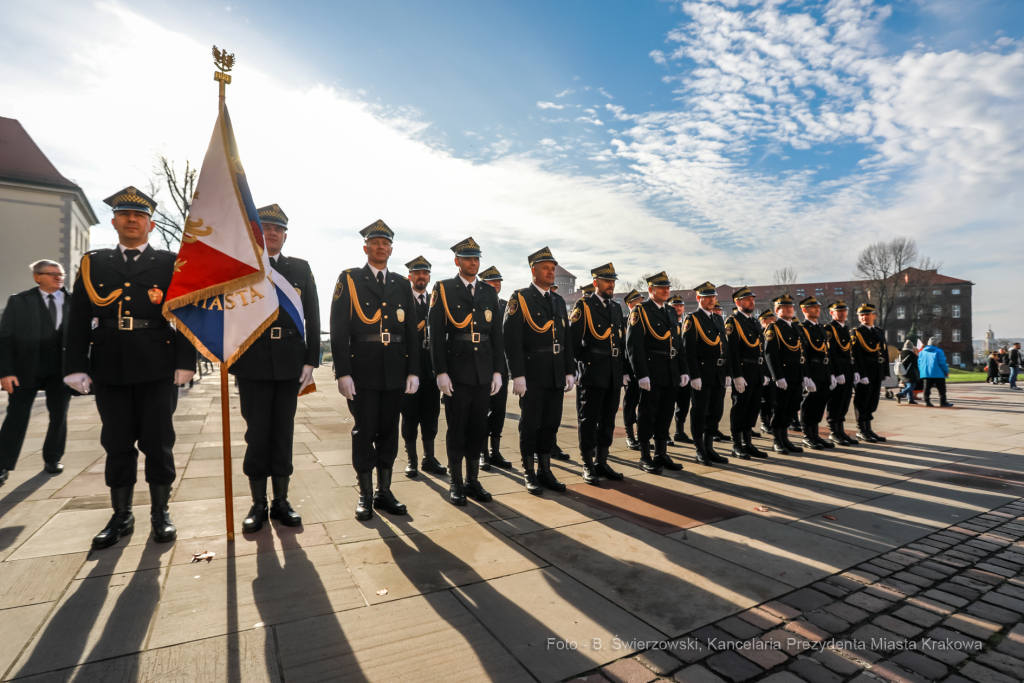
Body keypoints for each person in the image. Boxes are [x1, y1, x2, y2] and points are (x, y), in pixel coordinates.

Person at [63, 187, 196, 549]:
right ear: (114, 222)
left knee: (158, 441)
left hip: (158, 364)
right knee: (116, 442)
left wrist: (186, 362)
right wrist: (74, 366)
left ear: (150, 224)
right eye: (125, 215)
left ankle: (160, 513)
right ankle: (121, 515)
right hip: (109, 364)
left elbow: (186, 313)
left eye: (139, 216)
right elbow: (78, 318)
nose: (132, 220)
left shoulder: (170, 263)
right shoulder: (94, 263)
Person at [233, 204, 319, 533]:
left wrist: (311, 360)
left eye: (278, 229)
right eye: (266, 228)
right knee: (257, 434)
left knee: (283, 432)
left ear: (285, 236)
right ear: (255, 233)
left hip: (289, 362)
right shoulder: (242, 267)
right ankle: (258, 503)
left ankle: (281, 500)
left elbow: (312, 315)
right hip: (252, 362)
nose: (272, 233)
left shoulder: (300, 268)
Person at [330, 220, 420, 520]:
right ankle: (365, 494)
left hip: (394, 369)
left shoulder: (401, 283)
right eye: (375, 243)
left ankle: (384, 491)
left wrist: (413, 370)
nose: (380, 247)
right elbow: (338, 329)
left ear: (391, 250)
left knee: (389, 432)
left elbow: (411, 331)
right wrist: (342, 372)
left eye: (385, 244)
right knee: (364, 431)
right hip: (363, 370)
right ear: (365, 248)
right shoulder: (350, 279)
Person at [428, 237, 504, 505]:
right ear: (457, 261)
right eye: (468, 259)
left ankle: (473, 480)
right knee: (457, 428)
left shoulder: (488, 292)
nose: (473, 263)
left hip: (483, 370)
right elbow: (436, 335)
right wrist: (440, 372)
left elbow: (496, 335)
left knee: (478, 427)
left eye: (476, 258)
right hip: (457, 371)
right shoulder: (444, 289)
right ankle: (456, 482)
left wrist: (497, 371)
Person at [503, 246, 575, 494]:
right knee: (530, 425)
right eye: (546, 268)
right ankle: (529, 471)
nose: (551, 272)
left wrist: (569, 370)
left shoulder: (557, 300)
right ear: (533, 271)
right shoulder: (520, 298)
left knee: (550, 424)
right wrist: (517, 375)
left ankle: (545, 471)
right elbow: (511, 340)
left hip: (555, 372)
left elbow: (566, 339)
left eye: (553, 268)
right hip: (532, 373)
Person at [0, 259, 72, 483]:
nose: (58, 277)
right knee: (16, 417)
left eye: (61, 274)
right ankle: (2, 464)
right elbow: (5, 338)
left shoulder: (75, 302)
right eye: (52, 274)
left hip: (61, 370)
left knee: (59, 416)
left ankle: (53, 458)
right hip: (25, 370)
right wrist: (5, 372)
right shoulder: (19, 301)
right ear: (37, 277)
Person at [570, 263, 627, 484]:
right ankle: (588, 463)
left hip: (613, 371)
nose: (611, 285)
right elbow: (574, 342)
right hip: (593, 371)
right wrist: (581, 366)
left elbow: (620, 342)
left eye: (613, 281)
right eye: (607, 281)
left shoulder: (616, 308)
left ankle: (602, 461)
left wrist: (623, 369)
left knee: (608, 421)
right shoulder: (584, 305)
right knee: (589, 419)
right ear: (596, 283)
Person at [627, 272, 689, 473]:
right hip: (652, 370)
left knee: (666, 413)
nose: (666, 291)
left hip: (670, 370)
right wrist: (641, 374)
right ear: (650, 290)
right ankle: (645, 456)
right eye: (661, 288)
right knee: (647, 414)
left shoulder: (670, 311)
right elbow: (634, 346)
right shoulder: (641, 310)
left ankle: (661, 454)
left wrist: (683, 369)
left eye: (667, 288)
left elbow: (677, 343)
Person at [401, 256, 446, 478]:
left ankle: (429, 457)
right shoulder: (402, 300)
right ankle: (412, 459)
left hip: (431, 369)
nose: (422, 277)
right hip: (410, 368)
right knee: (409, 415)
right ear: (410, 276)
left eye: (425, 273)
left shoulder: (436, 301)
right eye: (417, 273)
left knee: (431, 415)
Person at [682, 281, 729, 465]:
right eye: (707, 297)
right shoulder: (692, 319)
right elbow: (688, 350)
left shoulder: (718, 319)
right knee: (699, 412)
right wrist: (694, 375)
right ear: (698, 298)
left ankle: (710, 447)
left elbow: (724, 347)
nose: (711, 300)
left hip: (718, 373)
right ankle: (700, 449)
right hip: (702, 373)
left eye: (713, 297)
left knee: (715, 412)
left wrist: (727, 372)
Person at [724, 286, 767, 460]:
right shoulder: (733, 322)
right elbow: (732, 351)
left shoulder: (755, 322)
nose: (751, 302)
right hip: (743, 372)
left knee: (753, 408)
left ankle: (748, 443)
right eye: (747, 300)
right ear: (738, 302)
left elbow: (761, 350)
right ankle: (737, 445)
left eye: (752, 299)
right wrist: (736, 375)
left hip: (756, 371)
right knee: (740, 408)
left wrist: (764, 372)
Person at [479, 266, 513, 470]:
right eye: (492, 282)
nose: (496, 284)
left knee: (499, 410)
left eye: (498, 281)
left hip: (502, 365)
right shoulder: (478, 303)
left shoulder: (506, 306)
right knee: (483, 410)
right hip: (483, 364)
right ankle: (482, 452)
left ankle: (495, 451)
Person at [764, 294, 806, 455]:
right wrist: (777, 376)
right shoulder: (773, 328)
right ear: (777, 310)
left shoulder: (795, 327)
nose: (789, 309)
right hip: (783, 376)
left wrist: (805, 375)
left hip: (796, 375)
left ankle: (785, 439)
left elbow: (801, 353)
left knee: (792, 408)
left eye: (790, 307)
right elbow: (770, 354)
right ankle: (777, 440)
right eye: (784, 307)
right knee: (780, 408)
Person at [797, 296, 833, 450]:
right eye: (813, 307)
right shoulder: (801, 328)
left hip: (823, 370)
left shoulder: (821, 328)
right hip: (812, 370)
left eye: (818, 307)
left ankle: (815, 434)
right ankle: (807, 436)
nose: (817, 309)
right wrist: (806, 375)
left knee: (820, 404)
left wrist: (831, 373)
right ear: (804, 310)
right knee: (809, 404)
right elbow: (802, 353)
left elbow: (827, 352)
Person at [851, 303, 890, 443]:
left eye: (867, 314)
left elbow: (884, 352)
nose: (864, 317)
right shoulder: (856, 332)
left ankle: (868, 429)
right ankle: (861, 430)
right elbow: (856, 355)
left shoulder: (878, 331)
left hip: (877, 371)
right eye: (861, 315)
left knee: (873, 401)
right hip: (865, 372)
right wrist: (861, 374)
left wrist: (886, 371)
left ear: (874, 316)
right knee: (862, 400)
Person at [824, 301, 858, 445]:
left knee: (844, 402)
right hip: (839, 371)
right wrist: (835, 373)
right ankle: (834, 431)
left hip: (847, 371)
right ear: (832, 313)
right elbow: (830, 353)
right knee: (836, 401)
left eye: (844, 310)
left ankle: (841, 430)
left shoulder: (845, 328)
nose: (843, 313)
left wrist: (854, 370)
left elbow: (849, 353)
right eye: (839, 311)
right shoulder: (829, 329)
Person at [668, 295, 693, 445]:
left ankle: (679, 431)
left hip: (686, 369)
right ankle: (664, 433)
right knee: (668, 403)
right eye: (675, 306)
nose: (678, 308)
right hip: (671, 368)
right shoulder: (667, 324)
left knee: (684, 403)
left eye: (680, 306)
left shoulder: (687, 323)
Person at [621, 289, 644, 451]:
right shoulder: (623, 322)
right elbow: (622, 348)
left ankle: (641, 435)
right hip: (629, 369)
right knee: (630, 402)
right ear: (630, 305)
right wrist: (623, 371)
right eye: (638, 302)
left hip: (643, 368)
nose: (642, 305)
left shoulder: (645, 321)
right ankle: (630, 435)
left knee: (644, 403)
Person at [758, 309, 777, 436]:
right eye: (772, 320)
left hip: (773, 372)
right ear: (764, 321)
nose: (774, 323)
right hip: (764, 372)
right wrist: (764, 373)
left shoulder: (774, 333)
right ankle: (764, 423)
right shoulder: (761, 334)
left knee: (772, 399)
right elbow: (762, 355)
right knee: (764, 399)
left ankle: (770, 422)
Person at [918, 337, 953, 407]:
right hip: (938, 373)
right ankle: (943, 402)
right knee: (941, 389)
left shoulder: (922, 352)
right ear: (937, 343)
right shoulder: (939, 351)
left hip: (926, 373)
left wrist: (922, 371)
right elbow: (942, 363)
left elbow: (919, 363)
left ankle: (927, 402)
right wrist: (946, 371)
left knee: (926, 388)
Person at [895, 341, 920, 405]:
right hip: (910, 373)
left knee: (908, 386)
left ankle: (910, 399)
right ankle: (900, 394)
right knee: (911, 386)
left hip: (902, 372)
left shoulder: (901, 353)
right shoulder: (912, 354)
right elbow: (916, 364)